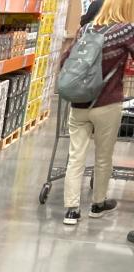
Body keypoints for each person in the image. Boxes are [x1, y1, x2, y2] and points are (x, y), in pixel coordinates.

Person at [61, 0, 134, 225]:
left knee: (75, 157)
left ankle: (71, 210)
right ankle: (97, 204)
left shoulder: (85, 30)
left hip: (79, 105)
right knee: (103, 157)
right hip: (107, 105)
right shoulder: (126, 30)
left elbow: (66, 61)